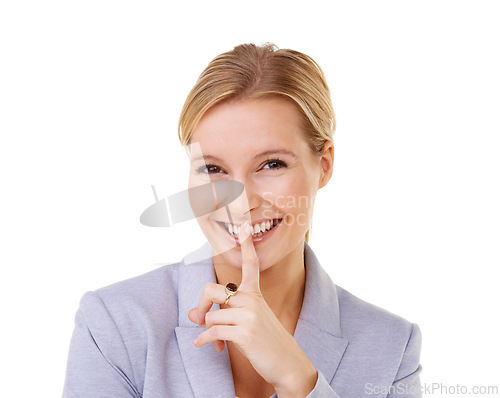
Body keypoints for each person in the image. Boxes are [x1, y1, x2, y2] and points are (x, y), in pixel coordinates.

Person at [62, 43, 422, 398]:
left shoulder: (391, 348)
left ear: (324, 164)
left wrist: (300, 381)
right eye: (214, 169)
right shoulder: (115, 324)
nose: (241, 203)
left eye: (271, 164)